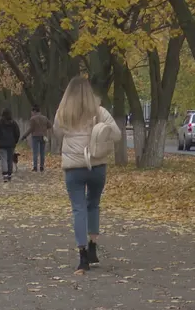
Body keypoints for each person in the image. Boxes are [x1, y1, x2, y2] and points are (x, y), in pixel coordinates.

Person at [54, 76, 122, 272]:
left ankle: (82, 255)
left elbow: (57, 133)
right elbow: (116, 135)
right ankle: (93, 247)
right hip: (97, 165)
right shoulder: (100, 112)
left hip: (74, 168)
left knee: (78, 208)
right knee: (93, 204)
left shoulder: (63, 114)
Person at [20, 104, 53, 172]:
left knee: (35, 152)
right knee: (42, 152)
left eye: (32, 112)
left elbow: (31, 129)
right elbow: (50, 125)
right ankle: (41, 167)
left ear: (34, 111)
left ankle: (35, 167)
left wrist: (24, 136)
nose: (31, 113)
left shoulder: (33, 119)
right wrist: (44, 129)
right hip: (43, 136)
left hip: (35, 136)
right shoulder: (45, 118)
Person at [0, 108, 21, 182]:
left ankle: (5, 174)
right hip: (11, 144)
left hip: (2, 144)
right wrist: (15, 141)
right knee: (10, 159)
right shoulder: (13, 123)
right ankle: (9, 174)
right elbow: (17, 133)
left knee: (3, 159)